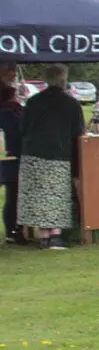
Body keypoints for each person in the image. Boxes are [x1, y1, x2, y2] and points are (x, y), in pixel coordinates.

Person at [18, 64, 85, 250]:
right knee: (57, 194)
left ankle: (43, 236)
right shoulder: (71, 103)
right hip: (59, 152)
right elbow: (78, 132)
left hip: (32, 153)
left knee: (38, 195)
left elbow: (22, 128)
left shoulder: (33, 101)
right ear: (64, 79)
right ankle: (56, 235)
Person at [0, 76, 23, 244]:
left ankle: (11, 231)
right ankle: (13, 230)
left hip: (7, 154)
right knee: (13, 195)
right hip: (11, 156)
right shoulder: (13, 111)